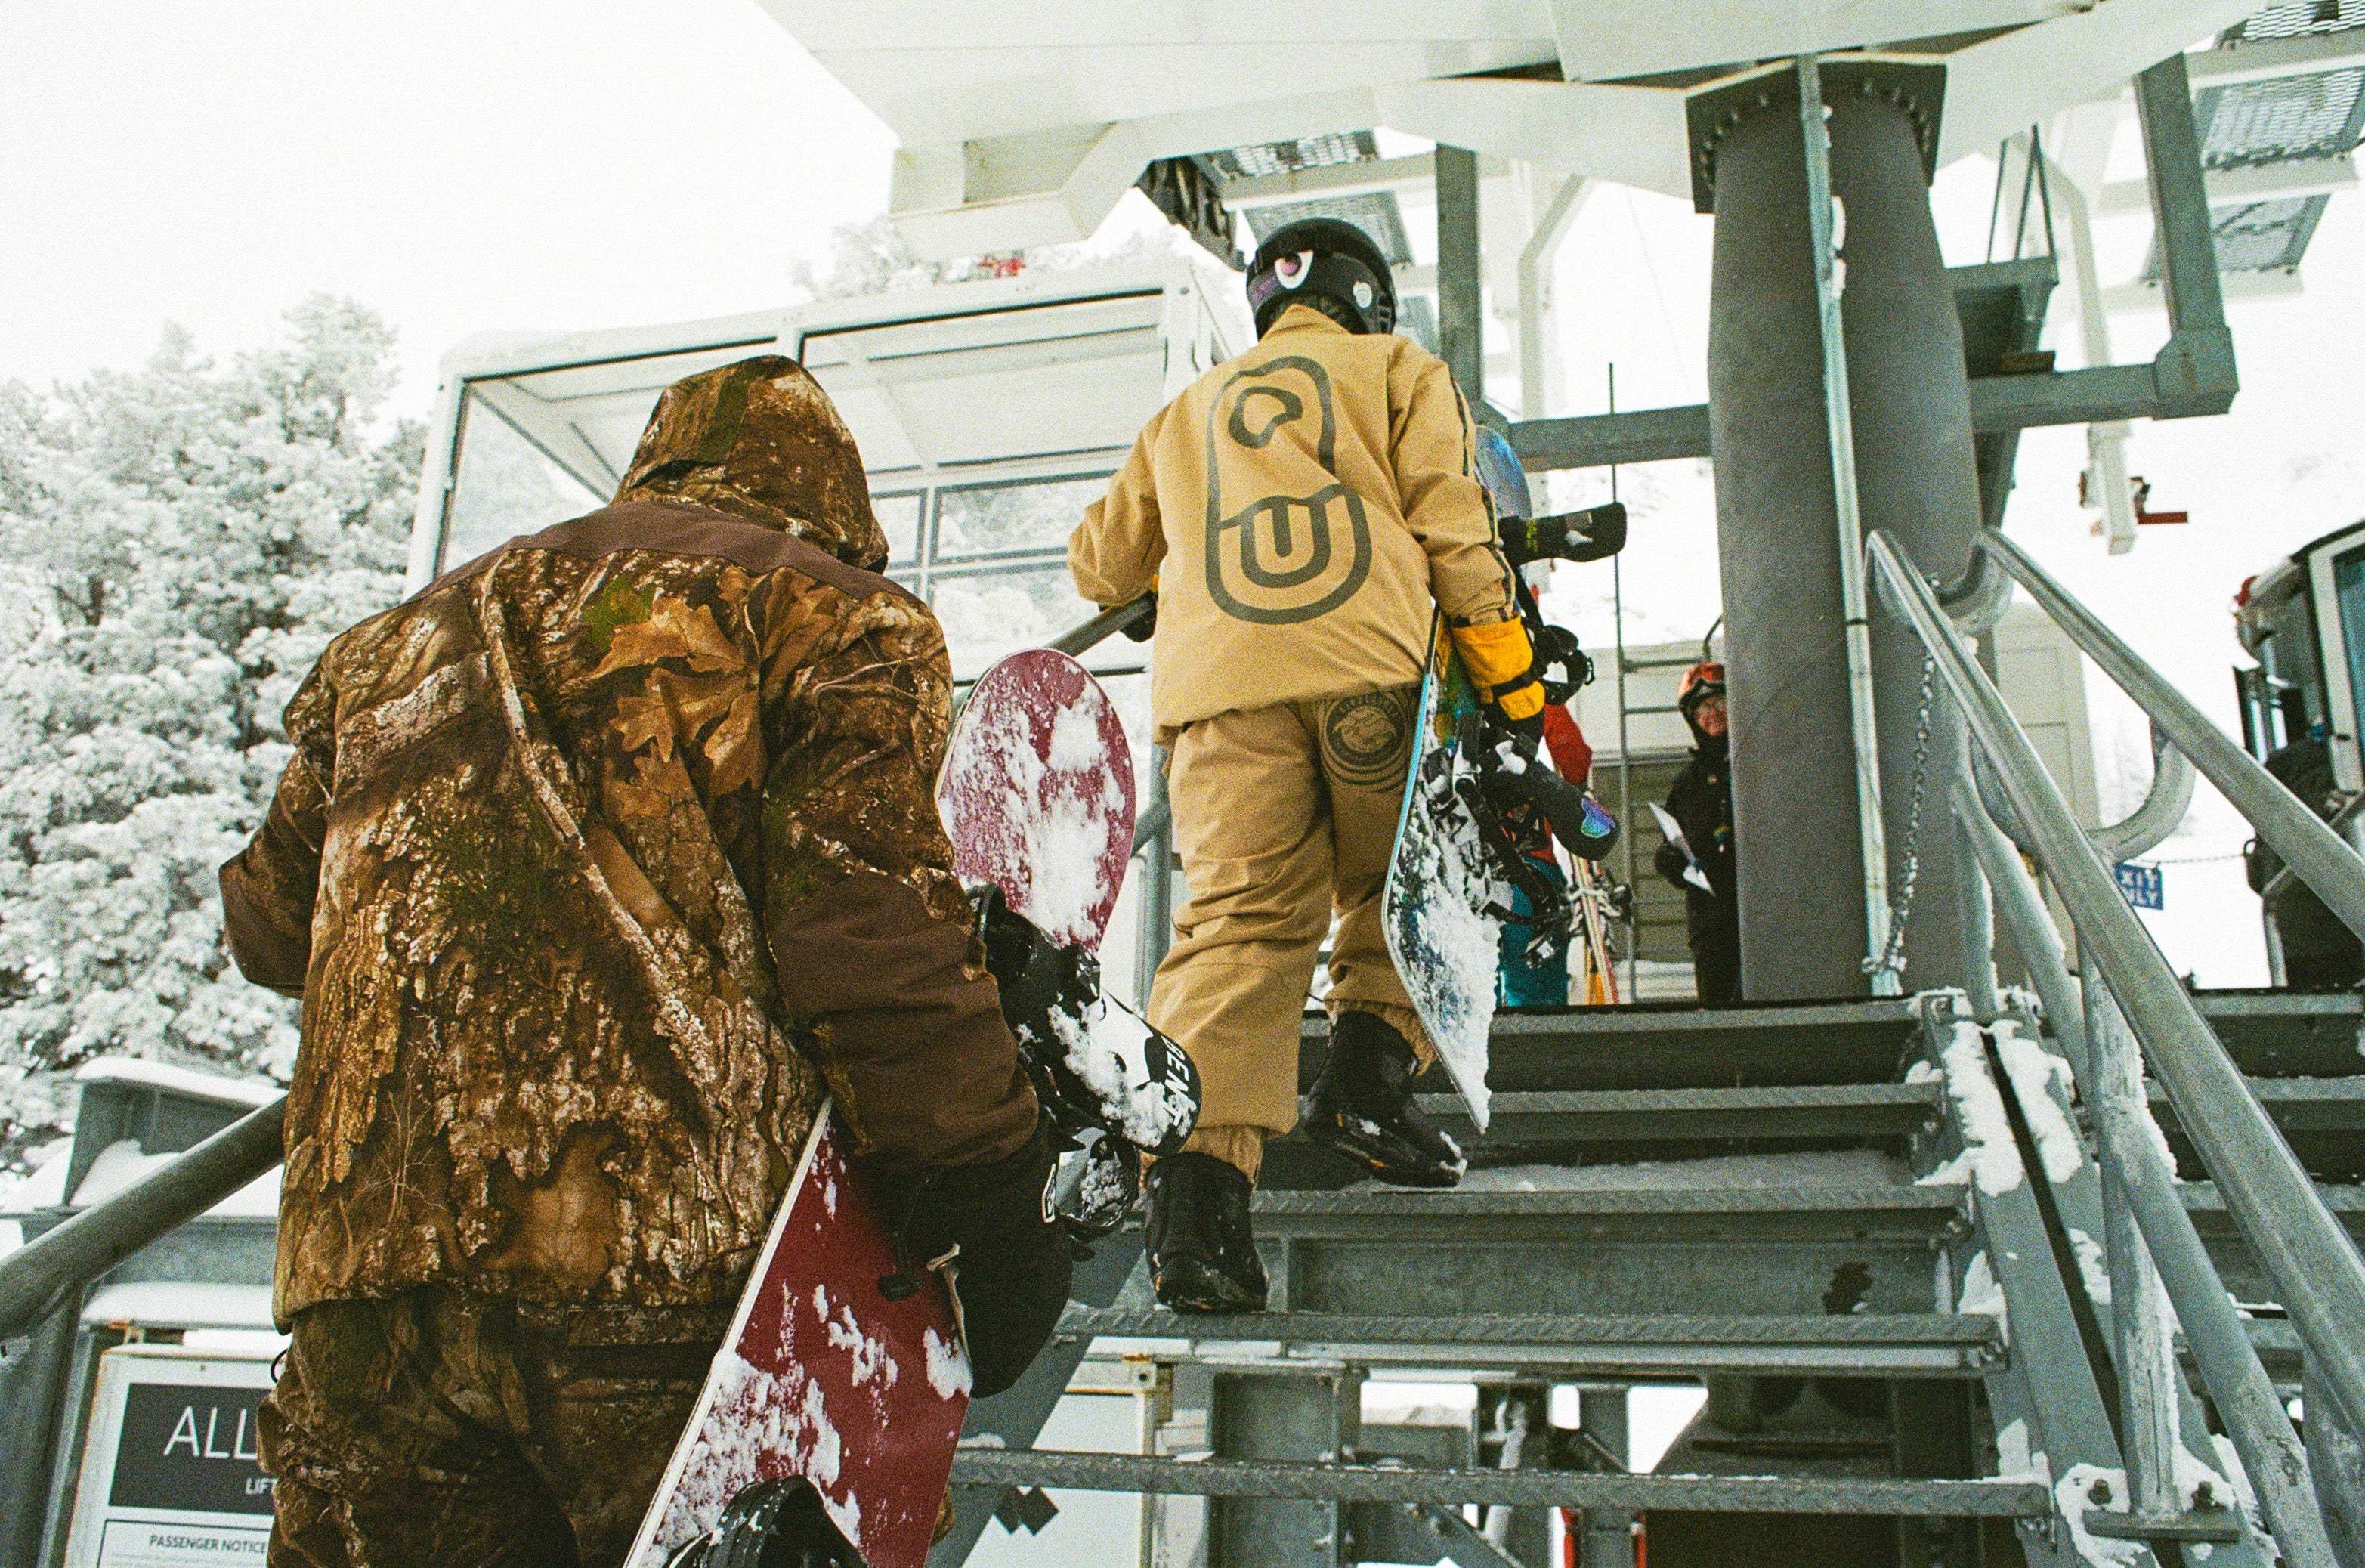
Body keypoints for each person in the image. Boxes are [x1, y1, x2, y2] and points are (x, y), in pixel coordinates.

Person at [218, 357, 1071, 1568]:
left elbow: (268, 926)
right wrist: (988, 1184)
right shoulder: (831, 614)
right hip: (665, 1275)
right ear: (837, 504)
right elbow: (867, 932)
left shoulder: (392, 646)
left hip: (368, 1279)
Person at [1069, 217, 1595, 1313]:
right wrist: (1513, 687)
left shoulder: (1185, 411)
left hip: (1220, 699)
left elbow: (1100, 565)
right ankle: (1367, 1081)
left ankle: (1198, 1218)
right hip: (1373, 673)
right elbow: (1456, 530)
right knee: (1421, 875)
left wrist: (1175, 561)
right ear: (1367, 299)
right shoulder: (1397, 369)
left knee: (1234, 926)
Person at [1655, 660, 1741, 1004]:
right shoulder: (1687, 783)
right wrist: (1669, 860)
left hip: (1763, 915)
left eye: (1719, 702)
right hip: (1710, 923)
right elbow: (1671, 841)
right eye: (1702, 708)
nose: (1712, 713)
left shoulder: (1758, 764)